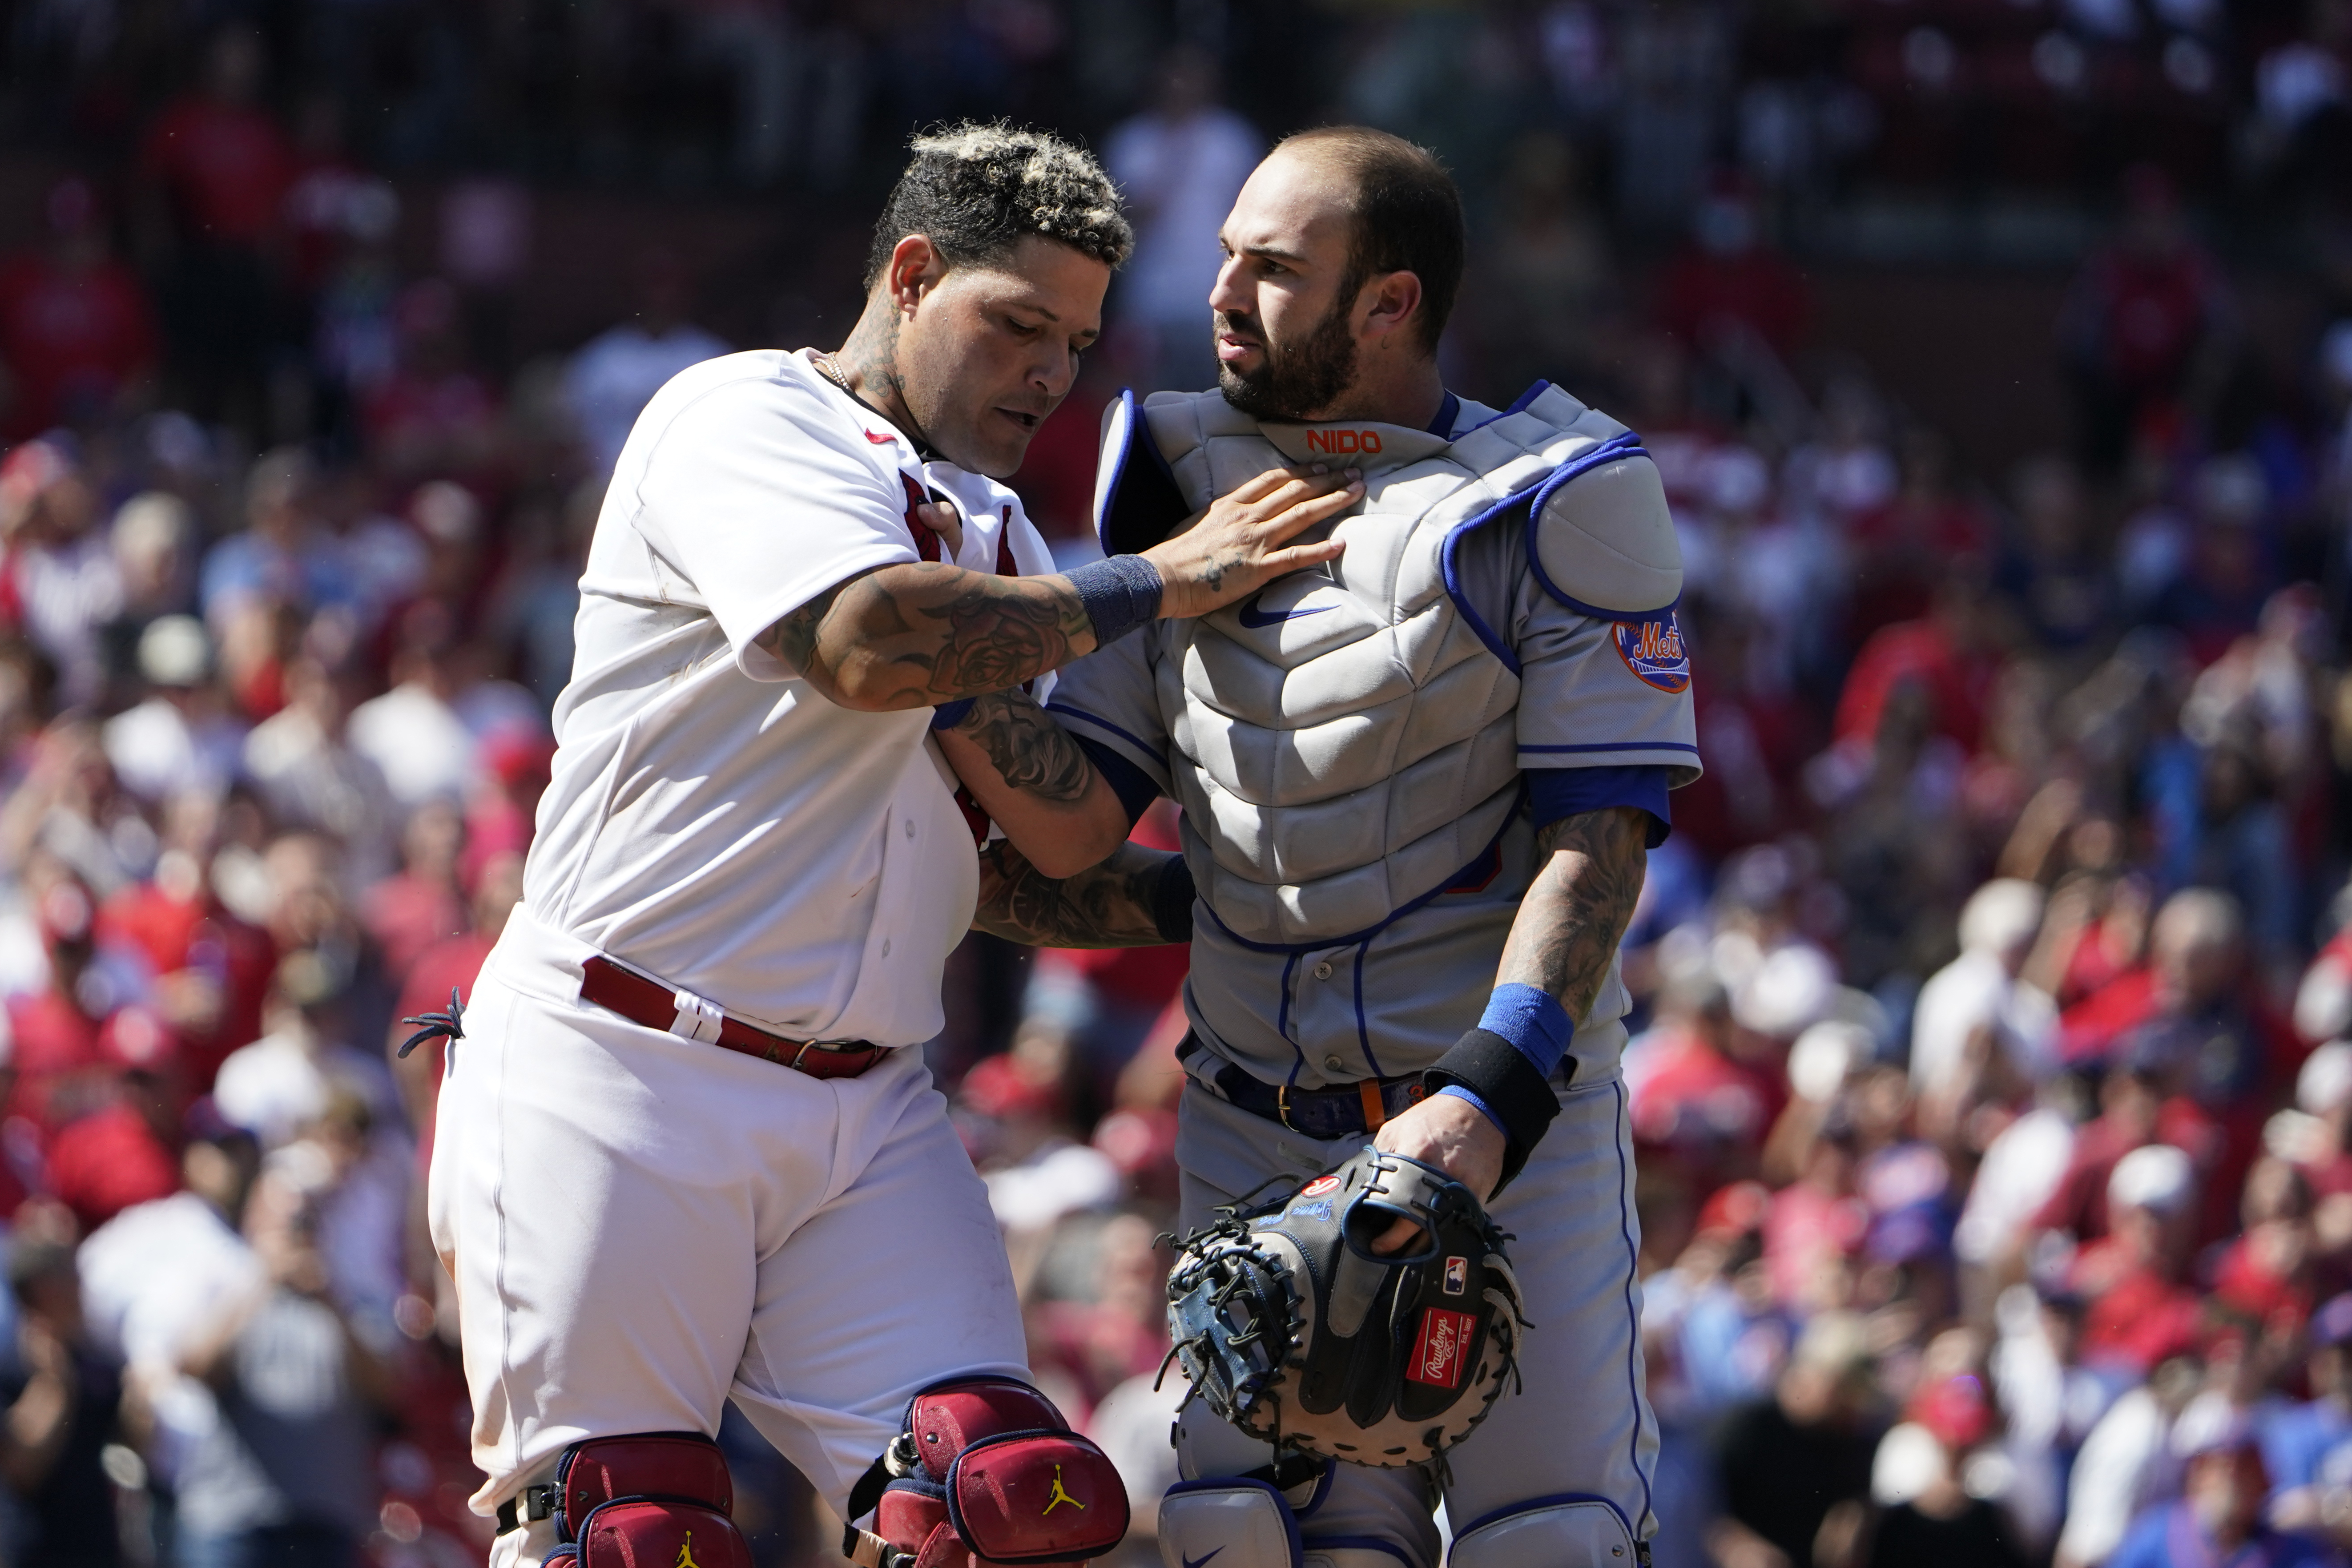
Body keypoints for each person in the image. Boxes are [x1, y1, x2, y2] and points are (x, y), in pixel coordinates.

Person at [428, 124, 1364, 1568]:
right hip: (624, 1071)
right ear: (913, 277)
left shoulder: (1002, 542)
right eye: (1020, 322)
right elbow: (864, 643)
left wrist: (1256, 897)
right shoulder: (743, 418)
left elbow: (1032, 855)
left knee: (1010, 1511)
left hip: (868, 1110)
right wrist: (1161, 584)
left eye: (1081, 339)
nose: (1054, 372)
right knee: (628, 1538)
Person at [950, 127, 1698, 1567]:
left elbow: (1598, 843)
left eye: (1273, 268)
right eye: (1227, 253)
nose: (1222, 289)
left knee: (1549, 1542)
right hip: (1249, 1125)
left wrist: (1490, 1097)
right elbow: (1068, 821)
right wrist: (971, 649)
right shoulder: (1166, 471)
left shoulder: (1566, 490)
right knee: (1256, 1541)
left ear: (1391, 303)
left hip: (1499, 1126)